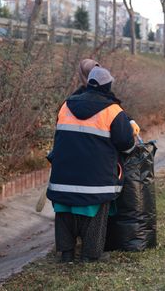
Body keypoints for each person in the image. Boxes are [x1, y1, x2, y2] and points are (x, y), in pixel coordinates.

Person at [47, 67, 139, 263]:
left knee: (63, 212)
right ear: (108, 86)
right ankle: (90, 254)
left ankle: (67, 253)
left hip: (63, 176)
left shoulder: (66, 105)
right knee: (97, 214)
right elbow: (126, 143)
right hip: (96, 180)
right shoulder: (113, 111)